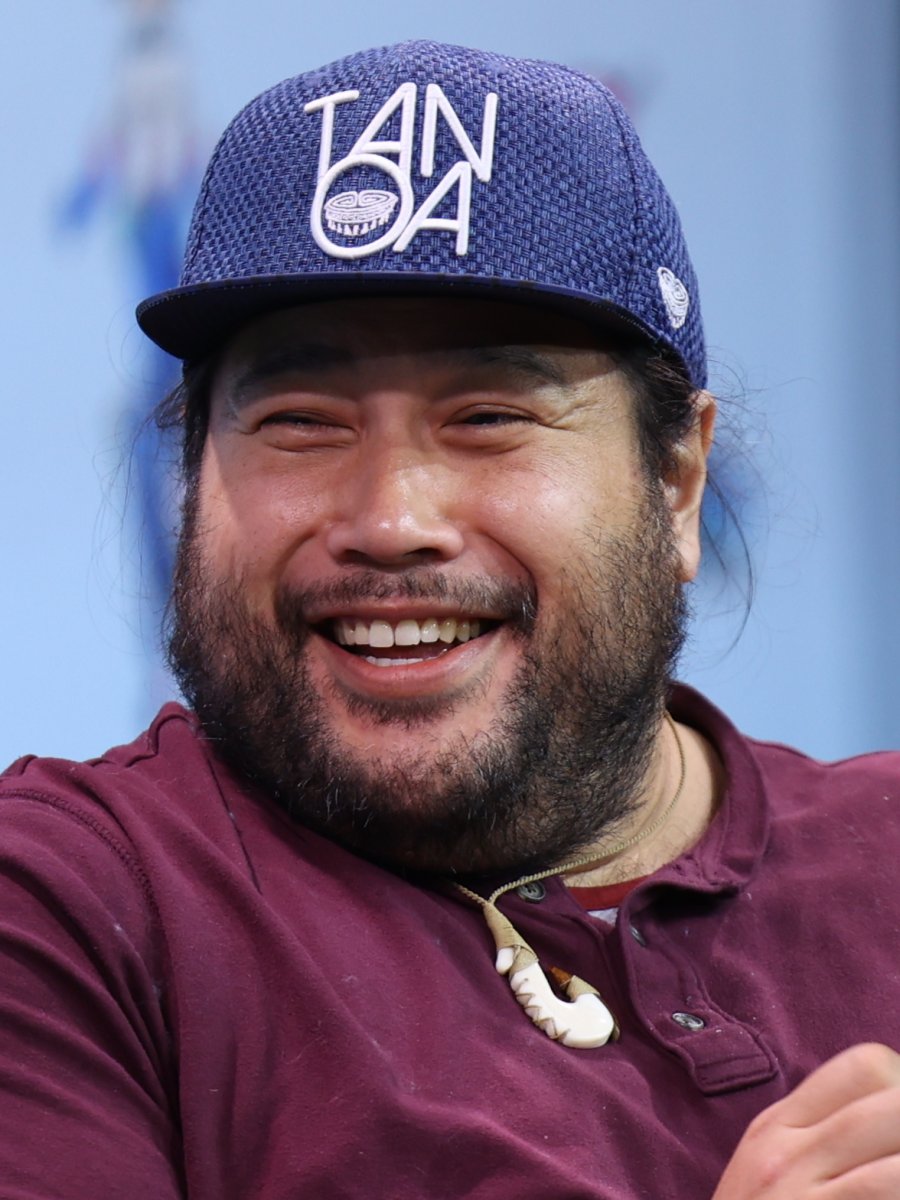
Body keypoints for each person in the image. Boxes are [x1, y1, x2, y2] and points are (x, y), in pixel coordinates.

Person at [1, 39, 898, 1200]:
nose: (391, 519)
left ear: (677, 483)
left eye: (488, 416)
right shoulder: (72, 911)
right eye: (300, 421)